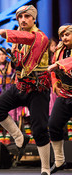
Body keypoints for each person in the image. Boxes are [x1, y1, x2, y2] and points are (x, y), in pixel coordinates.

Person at [0, 5, 51, 175]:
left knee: (39, 129)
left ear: (34, 18)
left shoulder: (40, 37)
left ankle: (45, 169)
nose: (23, 20)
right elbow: (19, 61)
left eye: (27, 16)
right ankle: (19, 137)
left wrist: (3, 32)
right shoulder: (17, 40)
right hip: (20, 86)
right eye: (20, 17)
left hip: (38, 89)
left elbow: (28, 38)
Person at [48, 24, 72, 174]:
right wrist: (55, 82)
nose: (64, 38)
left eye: (67, 35)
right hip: (65, 94)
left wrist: (58, 64)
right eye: (62, 35)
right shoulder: (59, 50)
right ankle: (59, 161)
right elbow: (53, 69)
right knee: (54, 125)